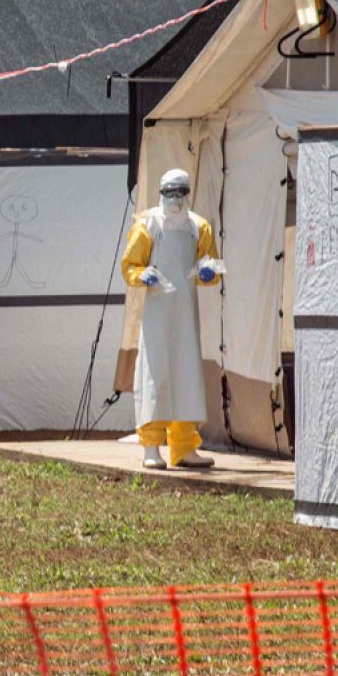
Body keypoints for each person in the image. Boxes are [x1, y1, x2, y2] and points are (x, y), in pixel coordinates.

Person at [122, 168, 223, 470]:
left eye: (179, 192)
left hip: (185, 316)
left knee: (187, 377)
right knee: (156, 377)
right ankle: (152, 447)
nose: (174, 199)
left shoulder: (198, 227)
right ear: (161, 193)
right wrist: (143, 275)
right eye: (169, 192)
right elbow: (129, 266)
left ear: (188, 194)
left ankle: (183, 448)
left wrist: (209, 271)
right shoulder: (148, 223)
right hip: (157, 316)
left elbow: (211, 266)